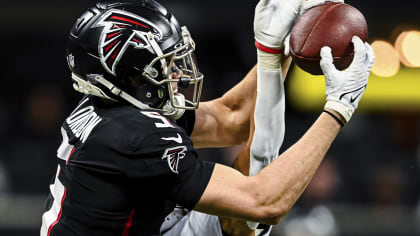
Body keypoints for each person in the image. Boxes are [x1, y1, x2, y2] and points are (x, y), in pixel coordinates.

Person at [40, 0, 374, 236]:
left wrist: (274, 51)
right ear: (129, 74)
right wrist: (338, 108)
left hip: (147, 226)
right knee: (247, 214)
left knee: (241, 219)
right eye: (164, 63)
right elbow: (265, 202)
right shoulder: (131, 136)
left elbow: (232, 118)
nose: (176, 72)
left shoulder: (115, 105)